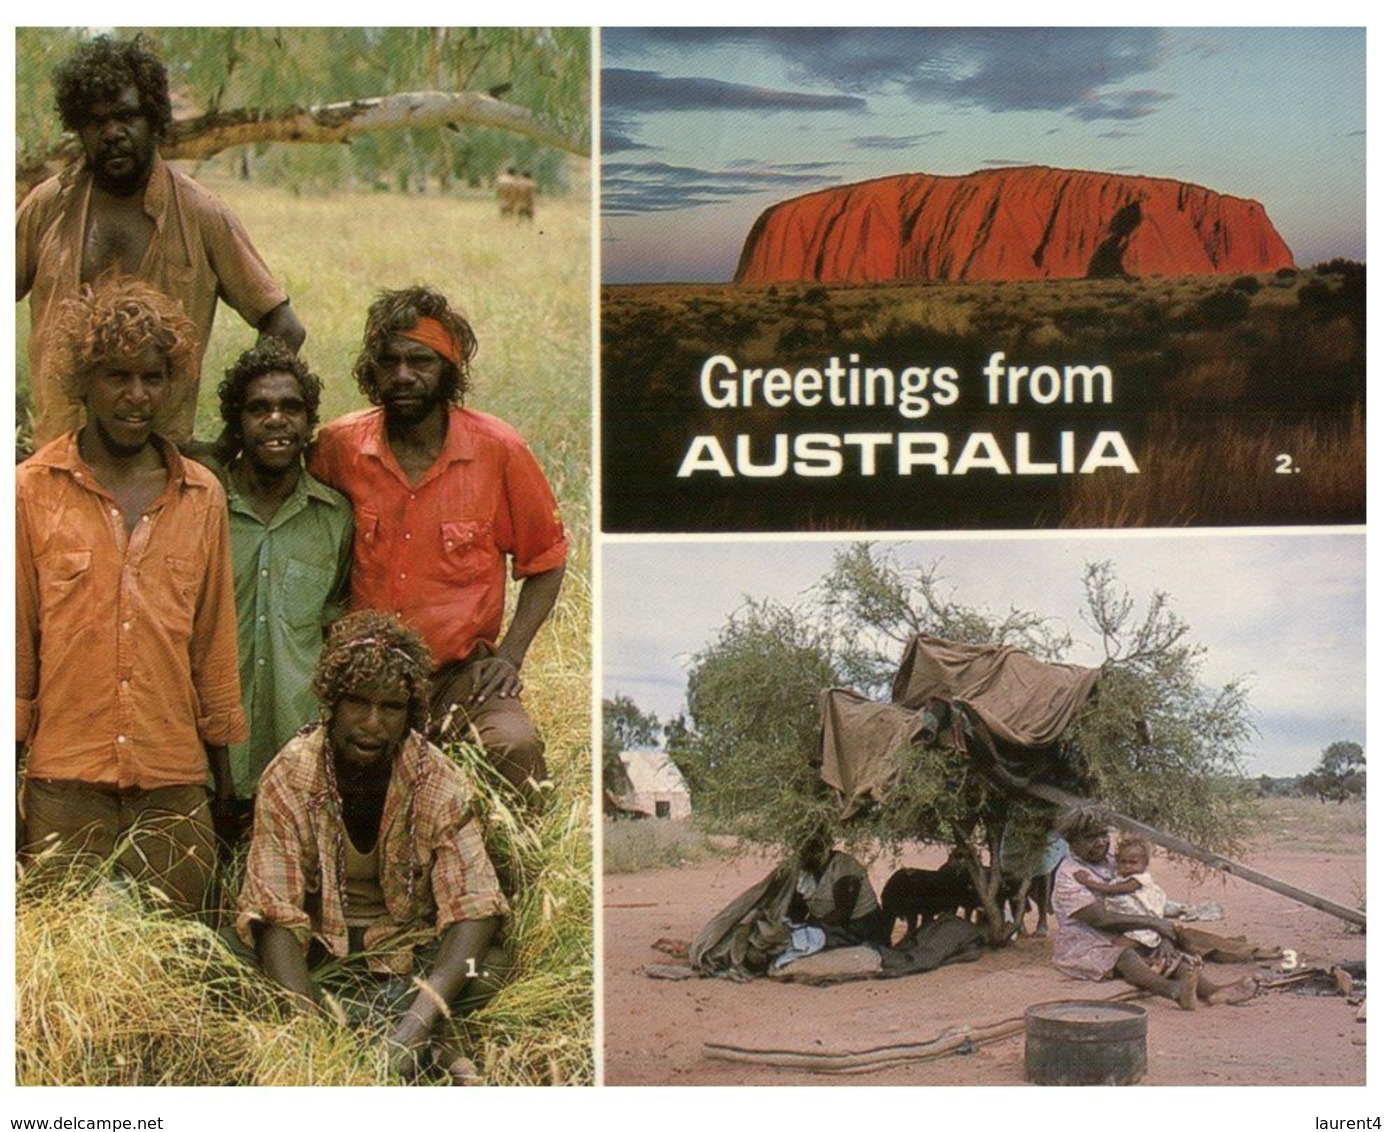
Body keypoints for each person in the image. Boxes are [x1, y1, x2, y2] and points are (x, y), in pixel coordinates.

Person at [16, 275, 245, 915]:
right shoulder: (31, 492)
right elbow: (17, 656)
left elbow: (214, 648)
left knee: (180, 964)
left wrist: (219, 790)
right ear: (83, 381)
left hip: (174, 780)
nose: (136, 396)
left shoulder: (201, 495)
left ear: (172, 383)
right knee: (69, 967)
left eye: (153, 377)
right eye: (117, 376)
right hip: (65, 781)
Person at [308, 286, 567, 801]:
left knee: (513, 746)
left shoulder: (500, 450)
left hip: (458, 677)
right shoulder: (339, 448)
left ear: (448, 369)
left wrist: (510, 657)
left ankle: (513, 873)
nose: (403, 376)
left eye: (420, 361)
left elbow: (547, 560)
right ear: (372, 370)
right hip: (363, 675)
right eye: (389, 361)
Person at [236, 610, 510, 1085]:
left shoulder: (437, 780)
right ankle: (423, 1043)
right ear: (331, 704)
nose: (371, 723)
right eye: (357, 704)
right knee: (230, 961)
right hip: (319, 956)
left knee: (492, 964)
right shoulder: (290, 775)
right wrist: (314, 1039)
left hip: (409, 954)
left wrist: (415, 1023)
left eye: (390, 708)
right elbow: (274, 912)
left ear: (410, 714)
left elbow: (474, 906)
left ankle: (411, 1033)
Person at [17, 34, 305, 448]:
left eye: (126, 116)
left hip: (159, 461)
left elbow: (283, 325)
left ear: (154, 120)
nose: (112, 132)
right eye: (97, 122)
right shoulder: (49, 205)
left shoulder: (202, 214)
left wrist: (230, 440)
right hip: (59, 453)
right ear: (79, 129)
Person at [213, 341, 352, 838]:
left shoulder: (334, 516)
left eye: (290, 408)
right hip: (210, 757)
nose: (276, 420)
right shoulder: (204, 507)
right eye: (259, 408)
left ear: (309, 421)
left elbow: (334, 627)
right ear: (236, 422)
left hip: (299, 751)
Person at [1051, 812, 1258, 1009]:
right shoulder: (1069, 875)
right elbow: (1099, 919)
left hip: (1126, 931)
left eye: (1103, 834)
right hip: (1085, 942)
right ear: (1071, 841)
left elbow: (1147, 901)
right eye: (1090, 838)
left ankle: (1213, 991)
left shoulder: (1117, 860)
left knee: (1169, 954)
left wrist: (1163, 935)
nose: (1101, 842)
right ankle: (1174, 991)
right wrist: (1155, 925)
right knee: (1126, 956)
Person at [1072, 834, 1167, 948]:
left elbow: (1113, 890)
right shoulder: (1120, 876)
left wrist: (1088, 882)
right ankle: (1149, 960)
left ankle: (1149, 961)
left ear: (1145, 864)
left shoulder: (1138, 880)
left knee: (1118, 947)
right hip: (1128, 925)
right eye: (1123, 862)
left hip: (1142, 927)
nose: (1127, 866)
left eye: (1133, 862)